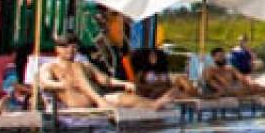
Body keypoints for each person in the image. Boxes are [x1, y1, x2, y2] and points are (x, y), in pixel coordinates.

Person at [39, 34, 176, 110]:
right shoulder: (50, 67)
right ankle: (100, 101)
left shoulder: (85, 65)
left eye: (74, 47)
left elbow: (106, 80)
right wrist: (63, 84)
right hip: (78, 103)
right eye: (66, 47)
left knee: (123, 97)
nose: (71, 50)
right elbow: (45, 82)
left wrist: (125, 84)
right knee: (77, 67)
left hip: (99, 100)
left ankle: (154, 105)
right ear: (57, 49)